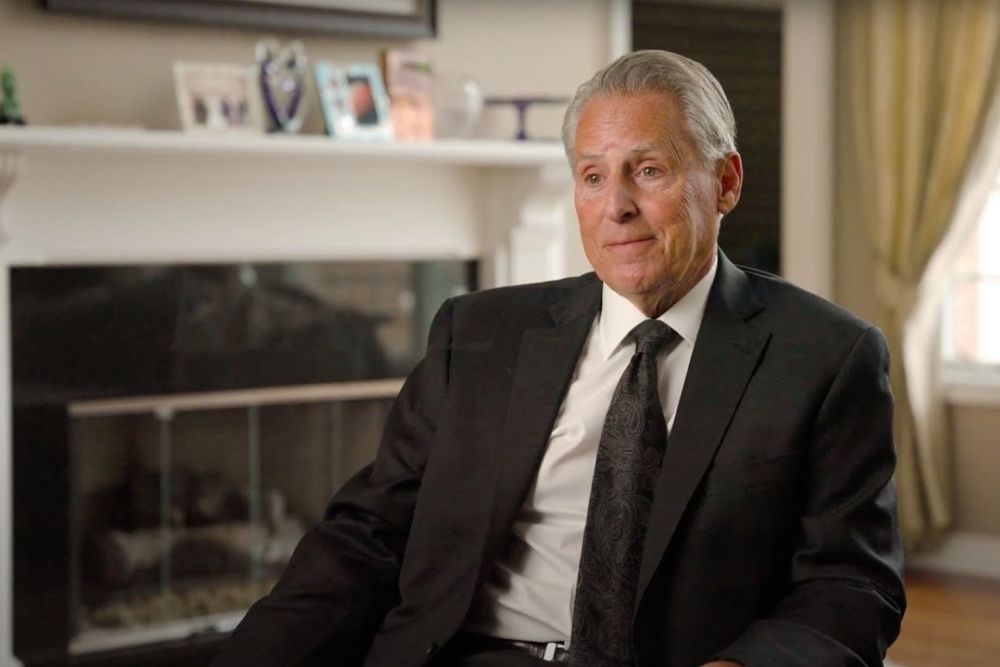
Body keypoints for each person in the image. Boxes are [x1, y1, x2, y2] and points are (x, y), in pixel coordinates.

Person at [211, 50, 905, 667]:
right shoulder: (479, 332)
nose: (616, 207)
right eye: (593, 176)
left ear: (725, 182)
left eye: (649, 170)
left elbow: (851, 584)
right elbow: (366, 534)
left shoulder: (825, 356)